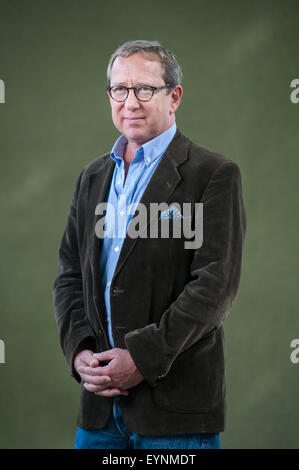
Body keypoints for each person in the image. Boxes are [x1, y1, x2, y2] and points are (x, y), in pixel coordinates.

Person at [53, 40, 246, 450]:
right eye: (119, 89)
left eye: (145, 88)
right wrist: (79, 350)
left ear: (174, 96)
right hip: (100, 409)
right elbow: (70, 275)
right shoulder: (92, 177)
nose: (130, 102)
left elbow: (215, 286)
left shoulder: (213, 174)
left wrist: (142, 358)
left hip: (177, 412)